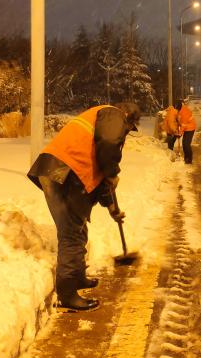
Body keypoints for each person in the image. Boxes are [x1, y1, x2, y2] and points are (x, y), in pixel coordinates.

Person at [27, 102, 140, 311]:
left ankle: (77, 277)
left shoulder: (100, 119)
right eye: (128, 128)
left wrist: (112, 208)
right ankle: (67, 295)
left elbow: (102, 179)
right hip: (65, 172)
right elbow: (108, 145)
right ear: (127, 117)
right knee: (71, 234)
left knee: (77, 227)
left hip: (55, 170)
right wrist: (112, 172)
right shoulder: (113, 115)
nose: (126, 133)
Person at [175, 99, 196, 164]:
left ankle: (189, 159)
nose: (176, 110)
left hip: (190, 128)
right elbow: (181, 122)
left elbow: (183, 125)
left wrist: (180, 134)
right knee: (184, 143)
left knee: (187, 144)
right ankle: (186, 157)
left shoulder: (184, 112)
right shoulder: (181, 110)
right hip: (186, 128)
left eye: (177, 108)